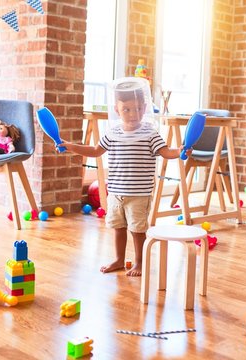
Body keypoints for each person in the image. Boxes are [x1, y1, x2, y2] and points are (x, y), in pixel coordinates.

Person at [60, 78, 187, 276]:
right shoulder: (112, 133)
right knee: (118, 227)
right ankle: (119, 260)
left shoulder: (149, 133)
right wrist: (71, 146)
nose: (133, 113)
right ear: (117, 110)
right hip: (116, 192)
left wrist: (179, 151)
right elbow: (95, 150)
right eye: (126, 109)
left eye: (137, 108)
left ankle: (140, 263)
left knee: (137, 230)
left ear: (144, 108)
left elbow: (165, 152)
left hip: (139, 193)